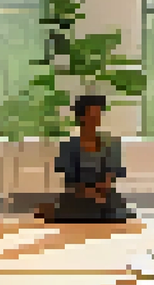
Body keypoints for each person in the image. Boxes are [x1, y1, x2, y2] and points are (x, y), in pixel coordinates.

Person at [42, 95, 132, 223]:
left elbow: (113, 172)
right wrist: (88, 192)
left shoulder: (111, 143)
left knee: (115, 211)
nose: (97, 118)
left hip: (106, 198)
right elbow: (70, 180)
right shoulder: (69, 146)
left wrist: (103, 187)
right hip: (79, 197)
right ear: (82, 117)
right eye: (93, 114)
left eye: (99, 113)